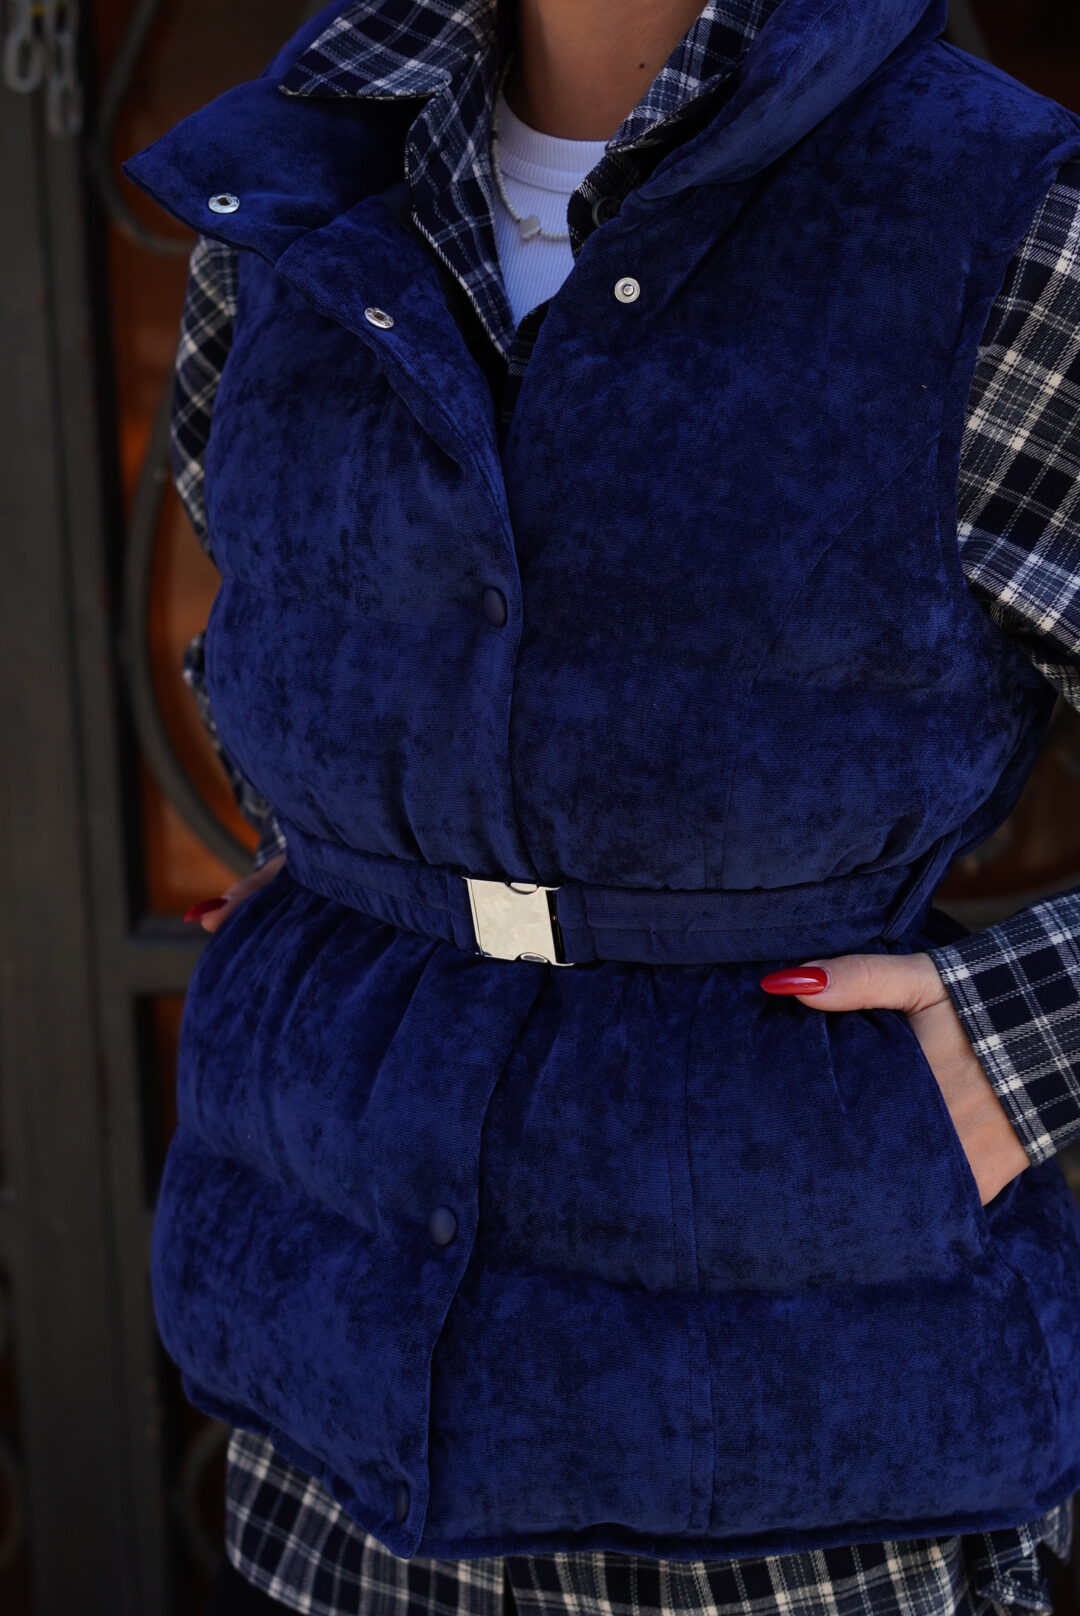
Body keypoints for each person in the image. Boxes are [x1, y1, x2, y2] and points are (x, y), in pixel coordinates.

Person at [122, 0, 1080, 1611]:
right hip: (328, 1419)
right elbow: (275, 617)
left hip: (796, 1457)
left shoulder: (994, 213)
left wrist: (1019, 1042)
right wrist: (354, 871)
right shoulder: (298, 176)